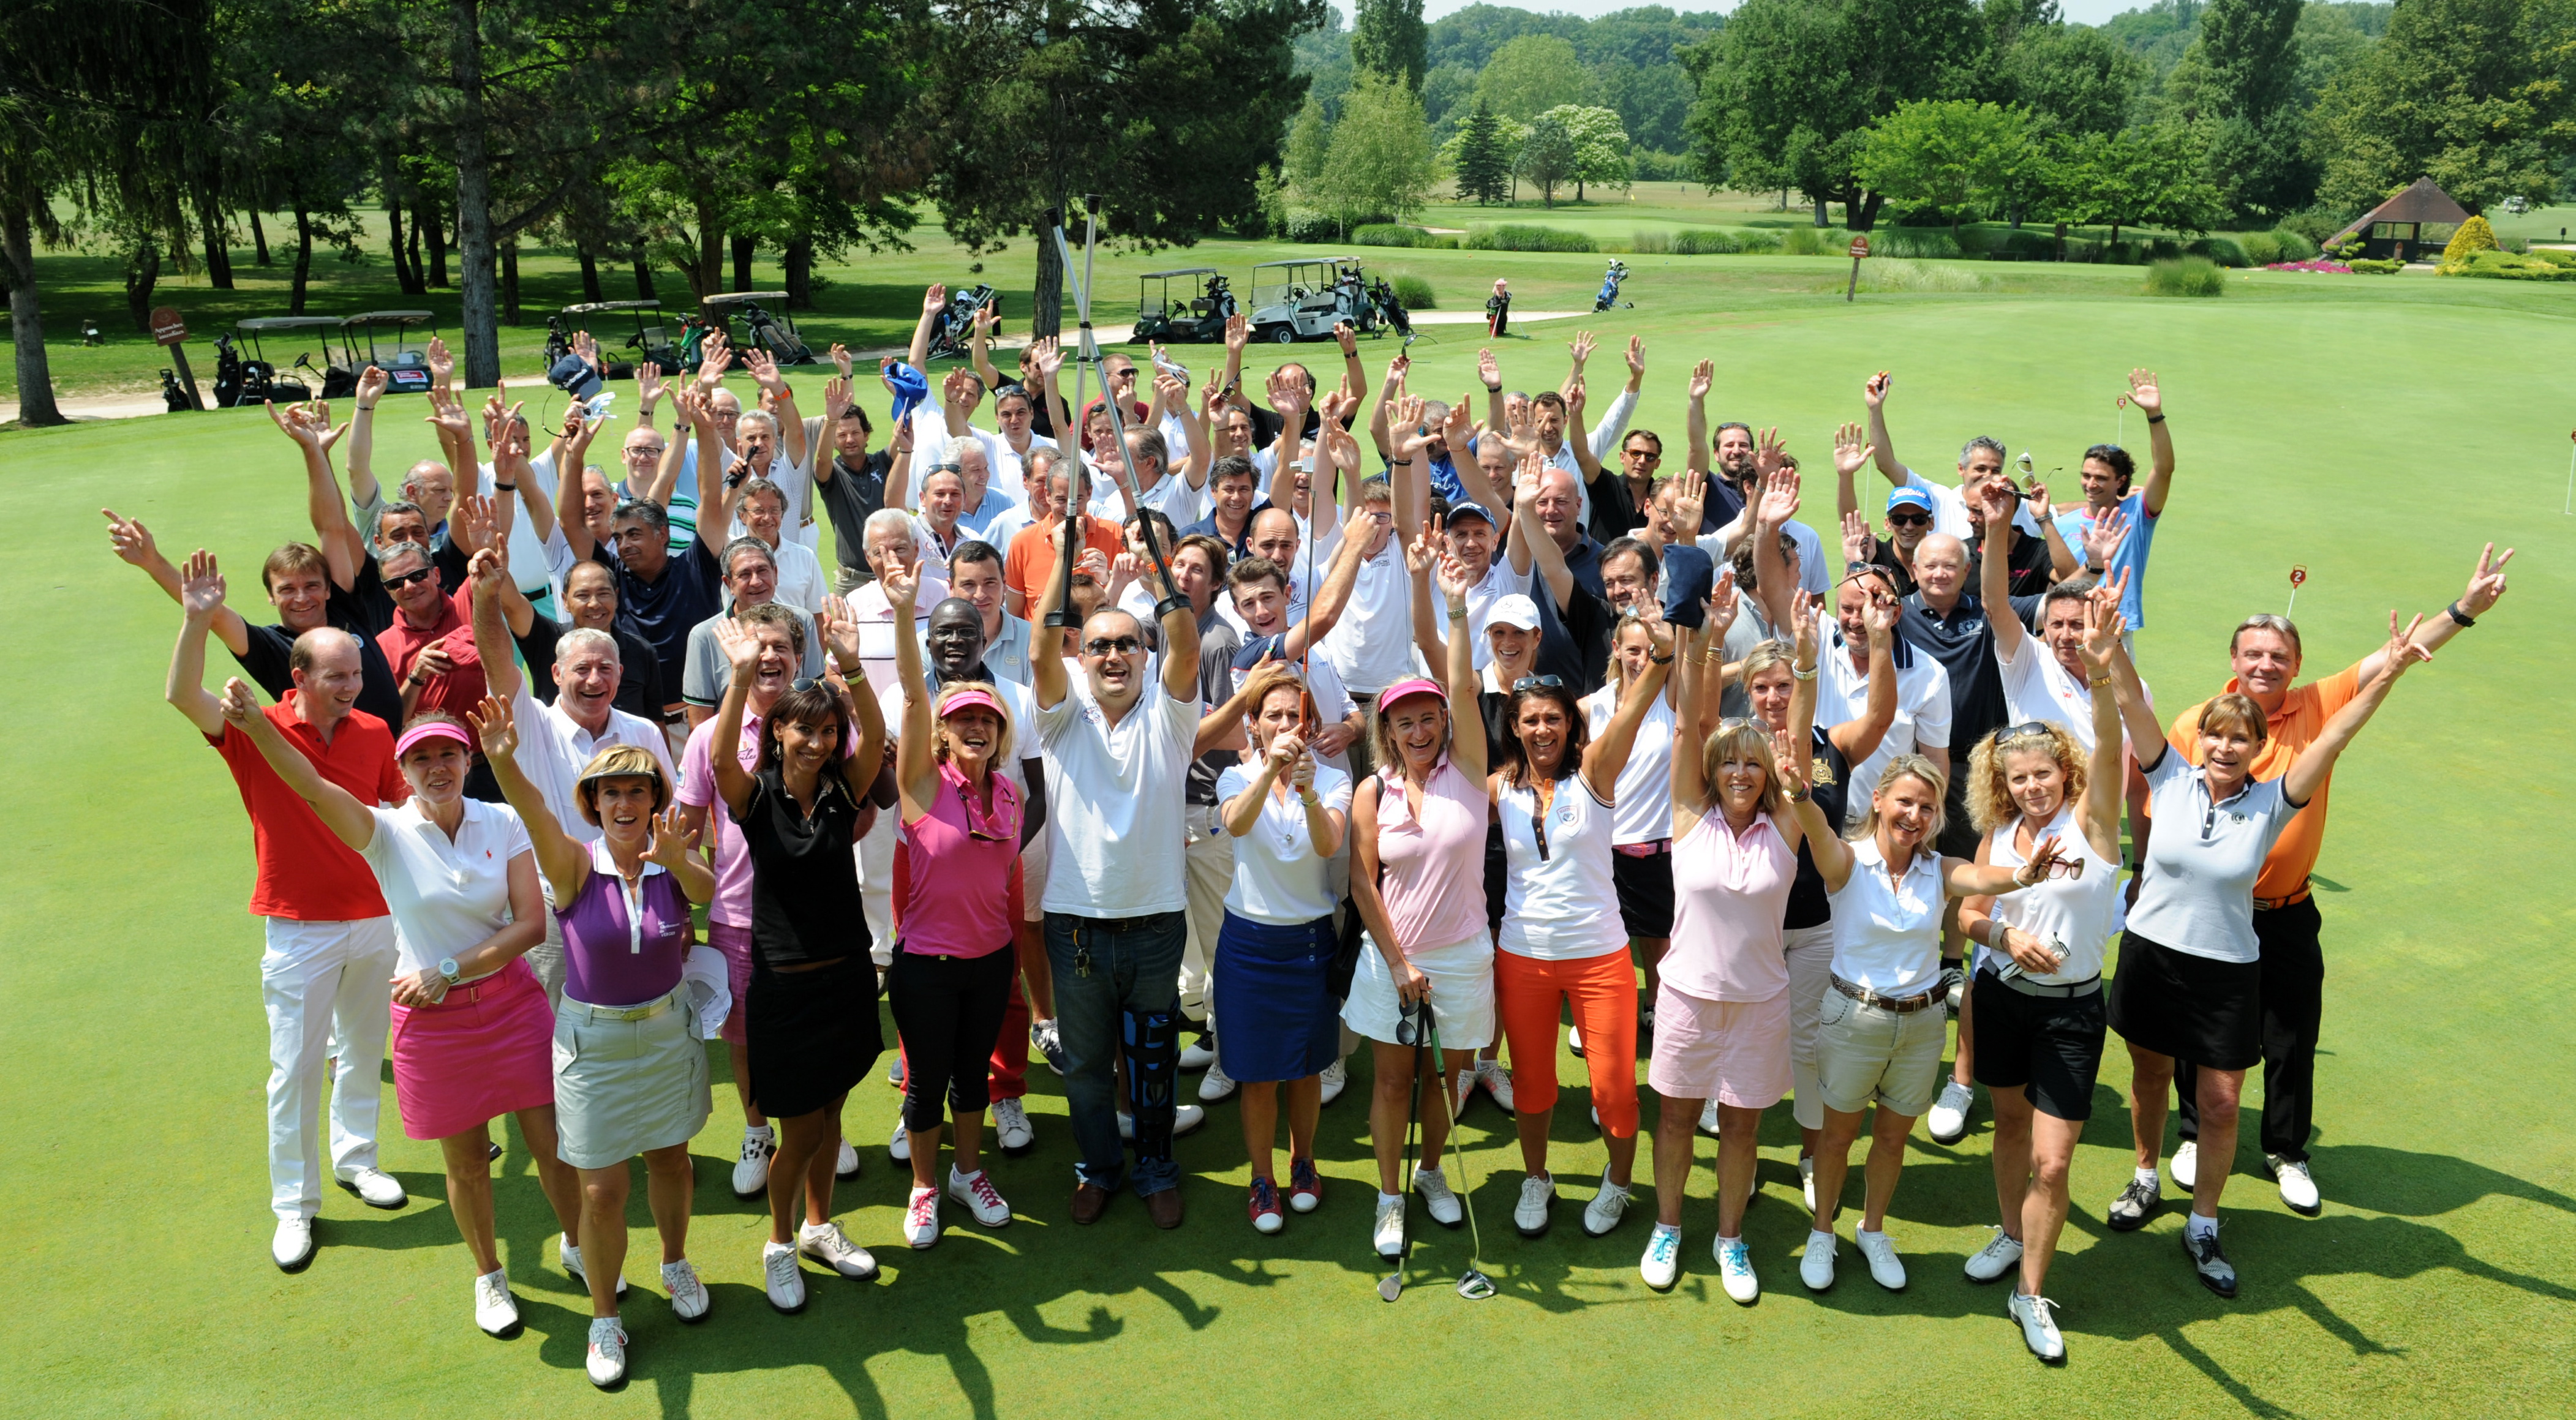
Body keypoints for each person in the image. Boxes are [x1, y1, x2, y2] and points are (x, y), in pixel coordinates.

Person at [2147, 547, 2510, 1220]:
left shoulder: (2320, 702)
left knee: (2290, 1030)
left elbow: (2394, 657)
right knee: (2200, 1029)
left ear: (2297, 666)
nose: (2265, 665)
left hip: (2286, 910)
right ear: (2234, 661)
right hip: (2212, 910)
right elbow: (2161, 812)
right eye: (2253, 654)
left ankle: (2286, 1150)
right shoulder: (2198, 724)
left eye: (2278, 657)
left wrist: (2463, 610)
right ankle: (2195, 1132)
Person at [217, 684, 582, 1340]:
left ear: (468, 762)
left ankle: (579, 1245)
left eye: (449, 755)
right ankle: (489, 1276)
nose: (437, 768)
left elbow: (531, 926)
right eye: (422, 759)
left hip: (511, 1007)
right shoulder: (383, 830)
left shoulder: (502, 822)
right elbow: (310, 786)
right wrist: (257, 728)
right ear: (405, 771)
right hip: (434, 1031)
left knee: (551, 1144)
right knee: (467, 1163)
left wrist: (448, 971)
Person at [2103, 609, 2433, 1299]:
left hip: (2226, 969)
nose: (2225, 747)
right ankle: (2144, 1175)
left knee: (2222, 1102)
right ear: (2201, 741)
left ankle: (2204, 1221)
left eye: (2240, 738)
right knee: (2149, 1078)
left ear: (2259, 747)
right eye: (2216, 736)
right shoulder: (2168, 775)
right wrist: (2110, 649)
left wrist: (2390, 675)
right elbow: (2130, 701)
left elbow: (2337, 733)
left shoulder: (2274, 802)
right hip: (2152, 957)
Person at [162, 554, 409, 1272]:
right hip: (298, 926)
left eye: (356, 676)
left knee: (363, 1050)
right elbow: (181, 694)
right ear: (298, 678)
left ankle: (357, 1159)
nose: (351, 689)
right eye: (336, 678)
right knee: (294, 1068)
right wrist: (195, 620)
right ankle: (294, 1207)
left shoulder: (371, 733)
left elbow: (395, 814)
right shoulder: (250, 726)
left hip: (373, 920)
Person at [473, 701, 715, 1386]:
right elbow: (533, 814)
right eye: (611, 792)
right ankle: (605, 1315)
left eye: (638, 790)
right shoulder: (573, 864)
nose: (625, 802)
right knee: (603, 1191)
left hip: (670, 1034)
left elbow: (704, 890)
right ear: (594, 803)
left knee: (672, 1160)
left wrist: (676, 856)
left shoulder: (671, 854)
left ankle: (673, 1261)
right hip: (595, 1047)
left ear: (654, 799)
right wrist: (501, 759)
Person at [1781, 751, 2065, 1295]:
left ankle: (1872, 1229)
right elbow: (1815, 827)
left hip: (1921, 1023)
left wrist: (2026, 874)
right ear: (1879, 800)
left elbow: (1985, 876)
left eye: (1927, 807)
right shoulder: (1846, 861)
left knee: (1891, 1139)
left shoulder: (1940, 869)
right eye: (1905, 802)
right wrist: (1799, 793)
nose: (1914, 815)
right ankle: (1824, 1232)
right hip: (1852, 1018)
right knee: (1836, 1139)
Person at [1952, 593, 2127, 1362]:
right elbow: (1967, 920)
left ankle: (2030, 1293)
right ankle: (2007, 1228)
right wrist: (2003, 933)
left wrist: (2100, 677)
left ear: (2067, 772)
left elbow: (2115, 750)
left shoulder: (2092, 819)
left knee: (2054, 1160)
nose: (2033, 787)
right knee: (2011, 1130)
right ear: (2004, 782)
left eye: (2044, 773)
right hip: (1999, 998)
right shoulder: (1997, 833)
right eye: (2019, 777)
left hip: (2072, 1012)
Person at [703, 612, 891, 1313]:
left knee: (833, 1116)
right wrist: (741, 676)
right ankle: (780, 1243)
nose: (816, 742)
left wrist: (854, 665)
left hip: (845, 979)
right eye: (802, 729)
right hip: (782, 986)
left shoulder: (844, 792)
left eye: (826, 731)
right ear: (776, 732)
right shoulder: (755, 798)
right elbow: (723, 761)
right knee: (800, 1130)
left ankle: (819, 1228)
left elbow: (871, 739)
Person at [1029, 505, 1205, 1230]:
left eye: (1126, 647)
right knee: (1086, 1067)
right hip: (1075, 925)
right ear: (1083, 655)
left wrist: (1160, 581)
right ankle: (1099, 1168)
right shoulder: (1061, 716)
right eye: (1098, 646)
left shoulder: (1169, 718)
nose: (1111, 657)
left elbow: (1187, 648)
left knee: (1155, 1056)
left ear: (1143, 655)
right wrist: (1063, 564)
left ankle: (1157, 1168)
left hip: (1156, 922)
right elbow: (1043, 653)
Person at [1640, 581, 1810, 1300]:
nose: (1742, 771)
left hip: (1759, 1002)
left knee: (1742, 1130)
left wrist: (1802, 663)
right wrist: (1705, 640)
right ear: (1712, 774)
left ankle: (1731, 1240)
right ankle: (1670, 1226)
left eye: (1753, 763)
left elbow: (1795, 738)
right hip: (1685, 996)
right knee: (1677, 1117)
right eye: (1729, 763)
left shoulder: (1788, 825)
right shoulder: (1688, 815)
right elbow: (1687, 726)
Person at [1491, 606, 1673, 1243]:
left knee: (1616, 1091)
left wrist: (1663, 646)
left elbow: (1640, 695)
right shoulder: (1500, 788)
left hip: (1600, 958)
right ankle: (1536, 1178)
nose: (1542, 730)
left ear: (1572, 725)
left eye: (1553, 719)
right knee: (1534, 1085)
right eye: (1531, 721)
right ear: (1514, 728)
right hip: (1522, 959)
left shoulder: (1595, 771)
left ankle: (1619, 1184)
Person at [1346, 533, 1493, 1261]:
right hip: (1392, 961)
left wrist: (1455, 606)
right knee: (1395, 1082)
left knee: (1450, 1078)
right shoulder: (1370, 793)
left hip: (1465, 953)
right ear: (1388, 732)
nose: (1419, 729)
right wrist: (1400, 963)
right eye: (1404, 721)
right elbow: (1361, 888)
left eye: (1427, 717)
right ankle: (1390, 1196)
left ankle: (1431, 1173)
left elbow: (1462, 684)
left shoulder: (1468, 769)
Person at [877, 563, 1028, 1248]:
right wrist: (908, 614)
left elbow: (1006, 885)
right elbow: (912, 698)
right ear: (944, 732)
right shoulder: (920, 786)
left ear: (1000, 736)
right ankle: (924, 1187)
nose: (976, 727)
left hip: (990, 963)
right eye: (963, 719)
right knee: (925, 1083)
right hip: (926, 967)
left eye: (986, 721)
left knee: (974, 1080)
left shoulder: (1008, 797)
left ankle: (969, 1174)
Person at [1214, 669, 1352, 1233]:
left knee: (1306, 1068)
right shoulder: (1235, 775)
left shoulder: (1334, 779)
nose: (1285, 723)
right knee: (1258, 1074)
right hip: (1247, 944)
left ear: (1310, 721)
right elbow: (1235, 822)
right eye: (1272, 714)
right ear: (1253, 722)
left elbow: (1328, 843)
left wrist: (1309, 789)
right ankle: (1261, 1177)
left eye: (1294, 715)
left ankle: (1304, 1162)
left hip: (1310, 942)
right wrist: (1271, 768)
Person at [108, 513, 406, 727]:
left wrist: (314, 449)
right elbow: (214, 615)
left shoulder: (346, 610)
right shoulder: (272, 646)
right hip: (345, 771)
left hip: (403, 755)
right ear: (271, 596)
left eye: (312, 586)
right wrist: (152, 563)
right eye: (287, 590)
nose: (302, 598)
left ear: (328, 589)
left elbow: (330, 528)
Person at [1586, 603, 1682, 1032]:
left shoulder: (1671, 696)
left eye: (1649, 650)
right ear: (1617, 649)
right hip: (1603, 847)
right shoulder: (1595, 705)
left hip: (1658, 846)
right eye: (1632, 649)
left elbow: (1709, 672)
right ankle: (1610, 1017)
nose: (1640, 658)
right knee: (1606, 946)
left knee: (1659, 943)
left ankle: (1659, 1010)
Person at [2049, 370, 2176, 634]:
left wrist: (2155, 415)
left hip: (2114, 628)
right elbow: (2056, 582)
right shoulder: (2062, 524)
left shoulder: (2138, 513)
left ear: (2121, 481)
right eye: (2086, 476)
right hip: (2067, 628)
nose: (2091, 484)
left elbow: (2164, 469)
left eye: (2101, 478)